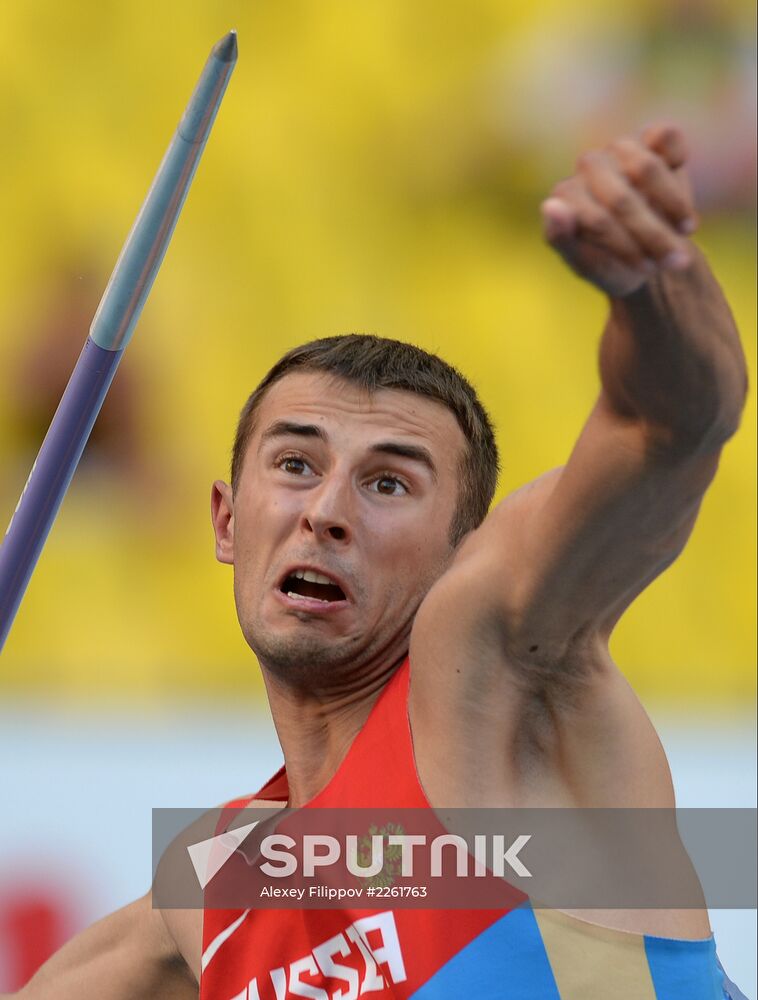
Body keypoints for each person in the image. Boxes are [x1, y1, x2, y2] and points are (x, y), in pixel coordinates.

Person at [5, 122, 748, 999]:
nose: (326, 511)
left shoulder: (502, 677)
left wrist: (654, 282)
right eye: (295, 465)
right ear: (227, 523)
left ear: (459, 555)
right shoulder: (213, 888)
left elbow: (669, 426)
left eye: (389, 484)